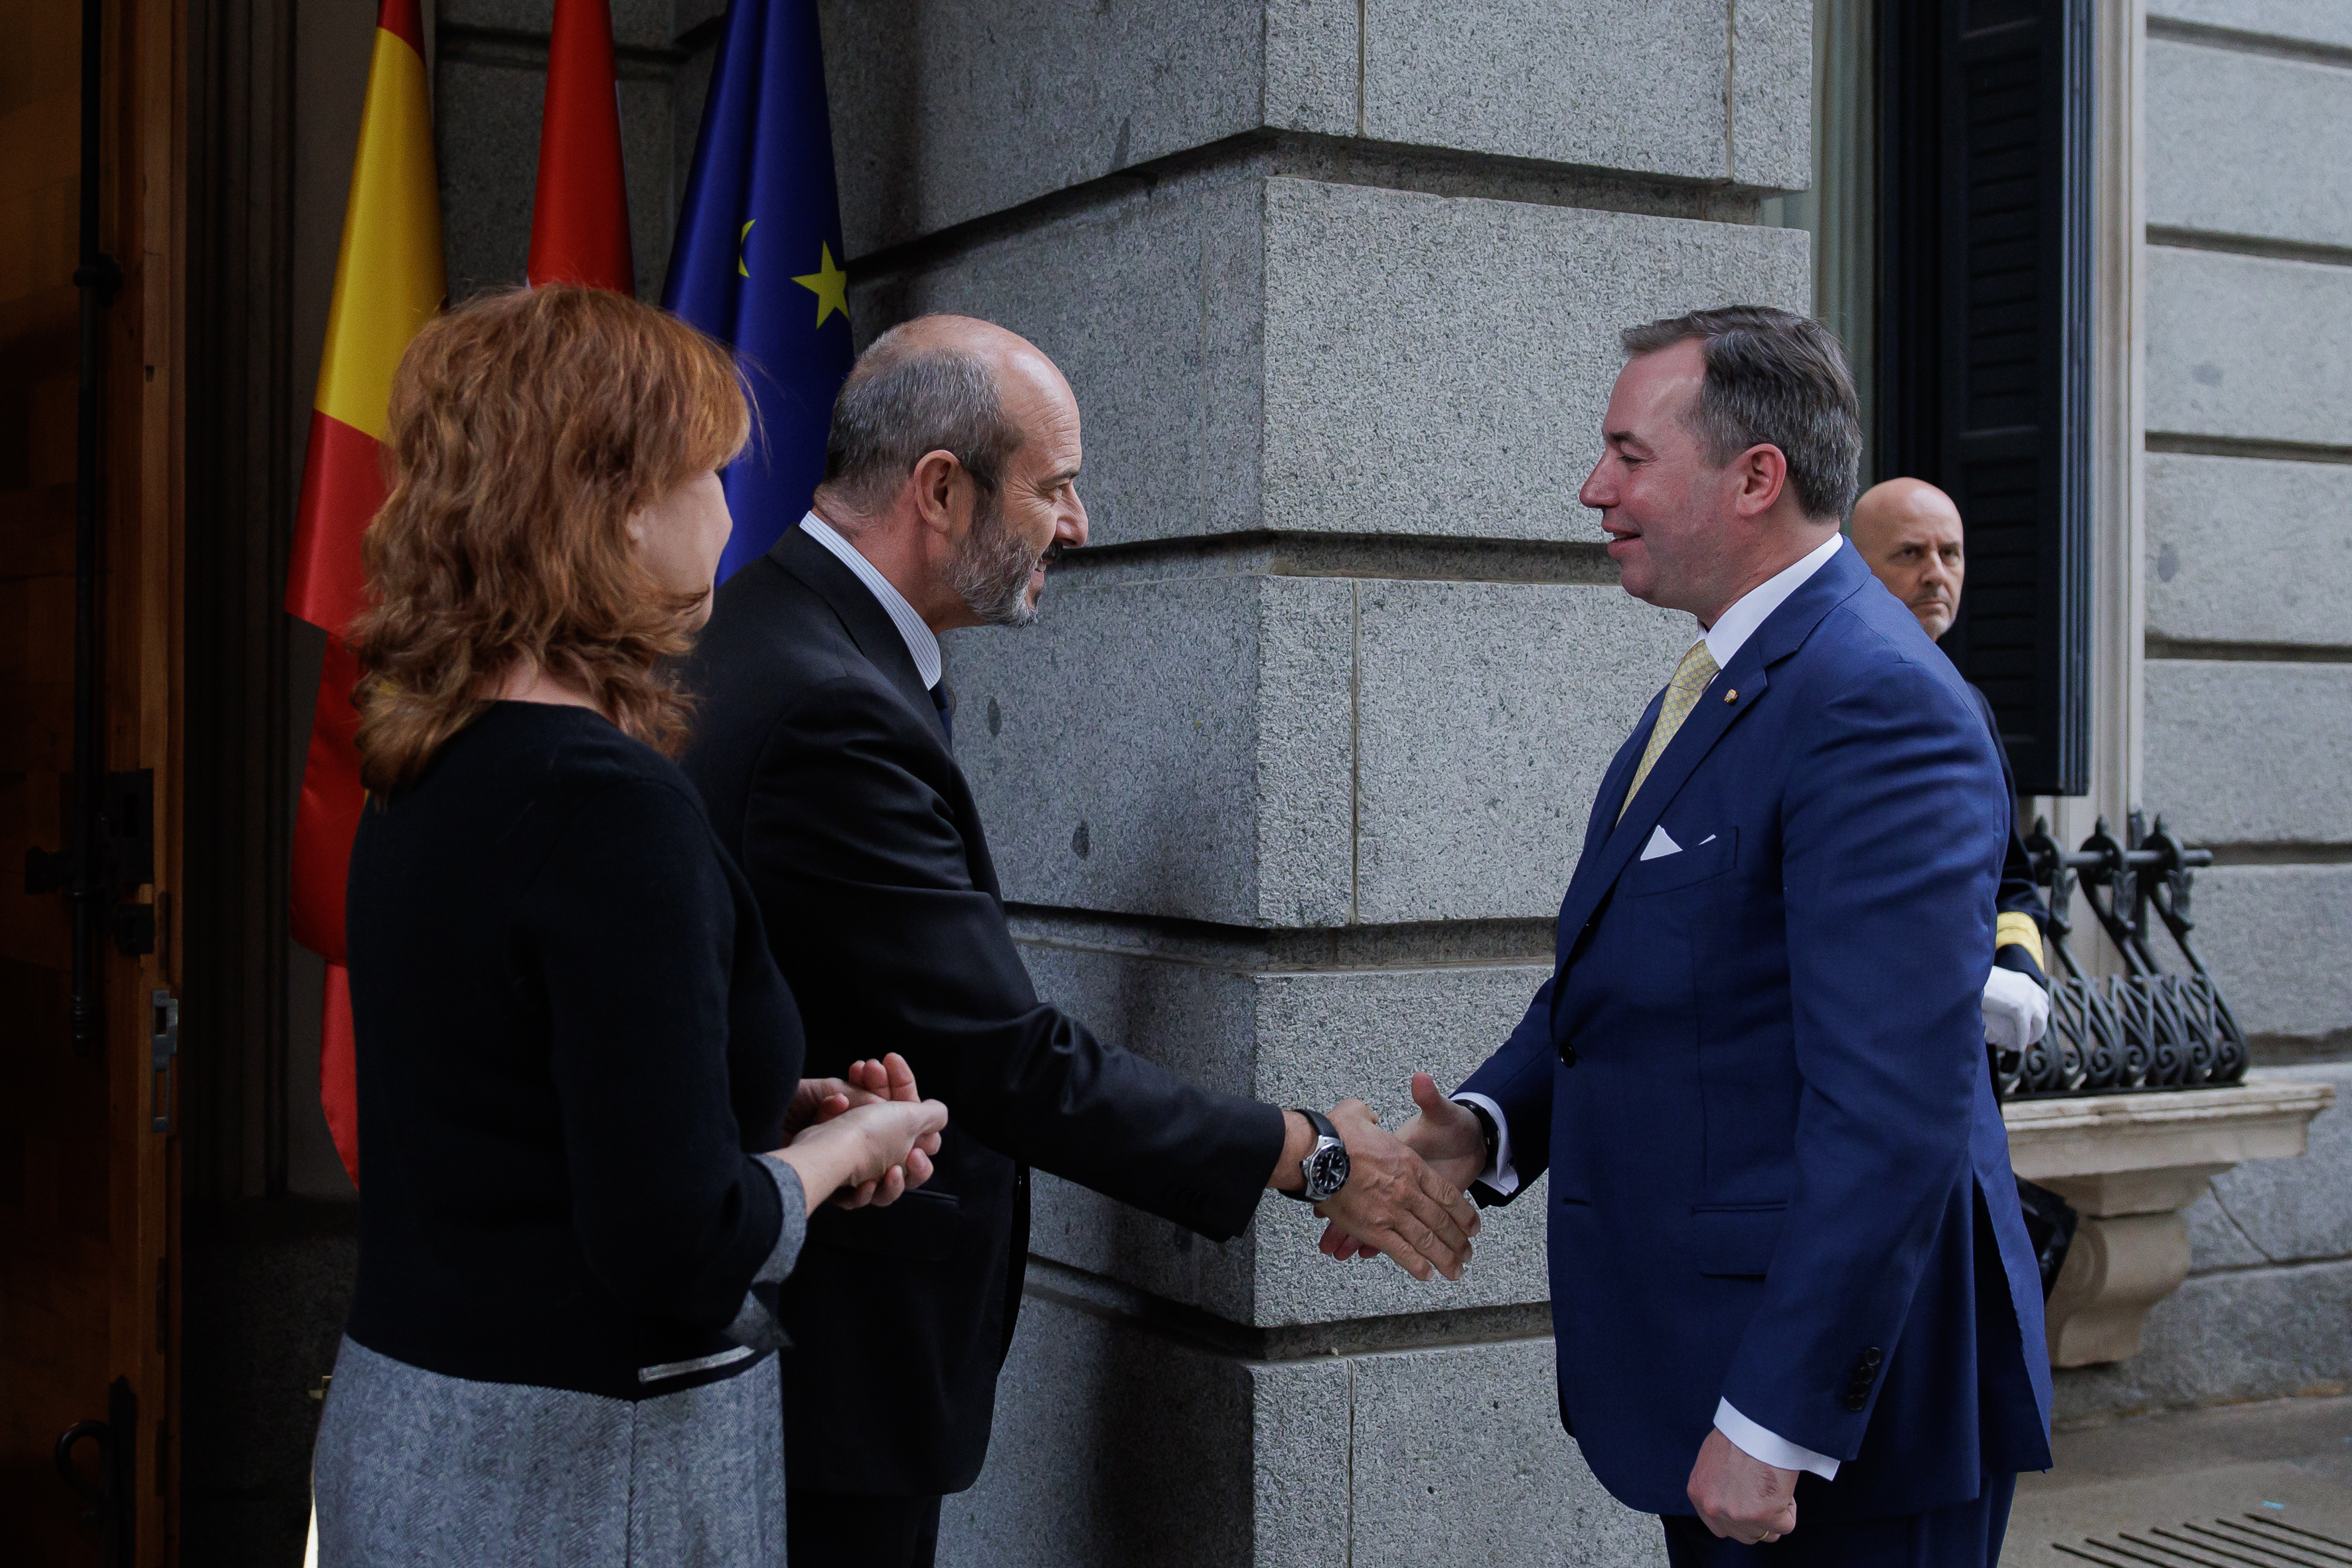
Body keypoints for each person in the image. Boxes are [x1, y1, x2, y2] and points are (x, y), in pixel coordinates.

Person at [679, 313, 1482, 1567]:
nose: (1080, 522)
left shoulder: (789, 641)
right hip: (827, 1375)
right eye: (1055, 487)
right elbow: (1007, 1061)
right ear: (940, 489)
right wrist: (1320, 1156)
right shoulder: (828, 706)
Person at [1327, 308, 2053, 1565]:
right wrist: (1489, 1121)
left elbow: (1892, 1106)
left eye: (1627, 453)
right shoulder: (1733, 673)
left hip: (1834, 1429)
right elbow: (1643, 964)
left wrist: (1778, 1416)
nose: (1593, 488)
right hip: (1715, 1370)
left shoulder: (1874, 700)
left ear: (1754, 476)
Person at [311, 285, 947, 1567]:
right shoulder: (612, 807)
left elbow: (512, 1116)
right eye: (709, 471)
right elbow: (675, 1254)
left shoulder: (424, 763)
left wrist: (756, 1122)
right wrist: (845, 1152)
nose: (731, 511)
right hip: (583, 1479)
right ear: (607, 505)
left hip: (408, 1439)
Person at [1850, 478, 2052, 1060]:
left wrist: (2015, 968)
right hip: (1871, 1042)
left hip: (1965, 1047)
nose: (1935, 573)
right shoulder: (1833, 693)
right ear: (1857, 570)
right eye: (1910, 553)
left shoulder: (1970, 705)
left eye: (1950, 553)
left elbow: (2009, 880)